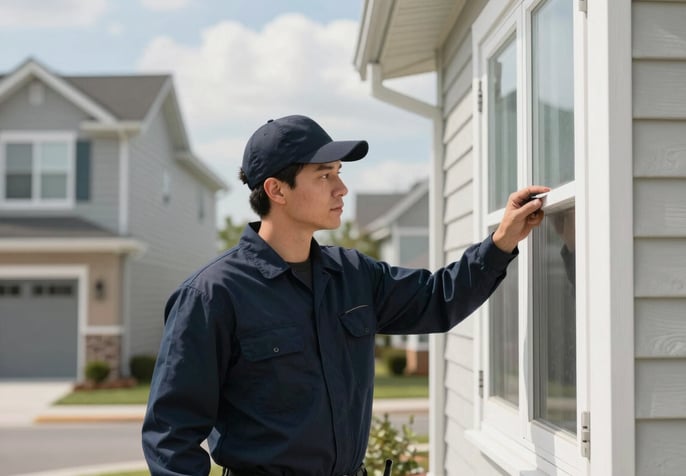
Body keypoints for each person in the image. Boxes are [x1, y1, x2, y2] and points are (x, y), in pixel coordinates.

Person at [141, 114, 549, 476]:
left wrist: (500, 242)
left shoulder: (353, 274)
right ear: (276, 190)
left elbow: (438, 299)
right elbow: (170, 435)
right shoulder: (212, 295)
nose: (342, 188)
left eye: (338, 172)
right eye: (324, 175)